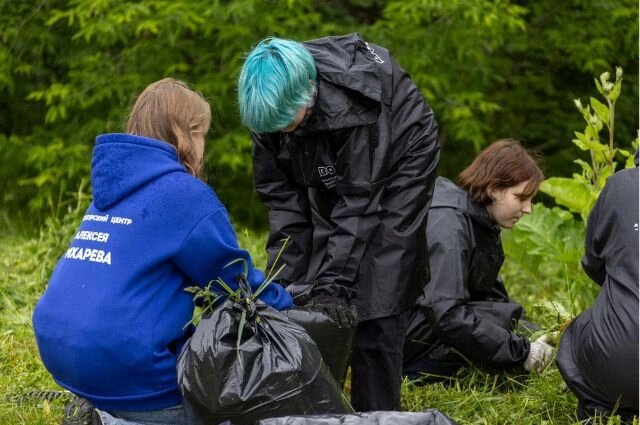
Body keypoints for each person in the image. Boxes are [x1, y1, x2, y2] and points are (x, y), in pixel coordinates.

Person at [32, 78, 293, 425]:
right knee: (240, 410)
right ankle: (119, 418)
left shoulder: (110, 190)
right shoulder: (185, 195)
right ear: (188, 133)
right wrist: (288, 307)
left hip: (62, 355)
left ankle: (101, 413)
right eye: (203, 135)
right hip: (132, 374)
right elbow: (234, 285)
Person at [237, 34, 440, 411]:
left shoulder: (353, 106)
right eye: (274, 128)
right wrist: (280, 286)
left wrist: (335, 286)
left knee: (381, 283)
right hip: (334, 149)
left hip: (400, 156)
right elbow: (284, 205)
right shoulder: (268, 109)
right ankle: (316, 403)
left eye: (287, 124)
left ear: (308, 95)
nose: (281, 134)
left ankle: (376, 411)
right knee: (310, 278)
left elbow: (359, 201)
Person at [403, 139, 554, 381]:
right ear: (494, 189)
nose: (528, 209)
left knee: (507, 318)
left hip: (427, 328)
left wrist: (535, 333)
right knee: (497, 338)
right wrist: (521, 351)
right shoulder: (449, 228)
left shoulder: (481, 222)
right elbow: (446, 314)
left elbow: (493, 298)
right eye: (521, 198)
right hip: (404, 343)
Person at [556, 164, 639, 422]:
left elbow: (593, 262)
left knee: (576, 332)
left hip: (621, 357)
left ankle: (602, 410)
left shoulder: (621, 184)